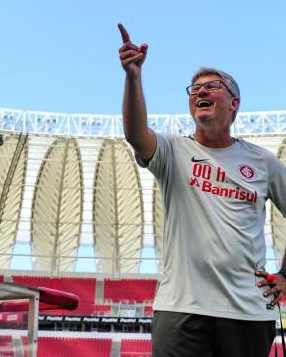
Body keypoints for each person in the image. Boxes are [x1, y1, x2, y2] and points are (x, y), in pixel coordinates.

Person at [118, 23, 286, 357]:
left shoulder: (263, 162)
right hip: (181, 309)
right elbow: (137, 135)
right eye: (193, 89)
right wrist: (133, 77)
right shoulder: (172, 151)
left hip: (248, 312)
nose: (199, 92)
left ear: (234, 103)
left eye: (211, 86)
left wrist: (285, 274)